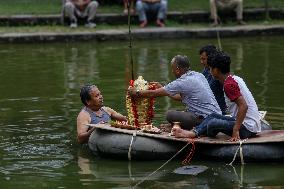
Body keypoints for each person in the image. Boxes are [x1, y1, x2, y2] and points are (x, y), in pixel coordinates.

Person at [172, 51, 261, 141]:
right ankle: (194, 132)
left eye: (210, 69)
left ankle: (197, 132)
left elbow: (244, 106)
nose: (210, 72)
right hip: (245, 123)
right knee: (212, 116)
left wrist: (235, 130)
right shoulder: (234, 78)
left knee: (212, 124)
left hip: (247, 128)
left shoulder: (228, 85)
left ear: (216, 70)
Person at [128, 55, 221, 130]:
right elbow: (181, 98)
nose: (172, 71)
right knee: (183, 112)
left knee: (170, 114)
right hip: (218, 117)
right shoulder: (199, 75)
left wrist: (136, 93)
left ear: (177, 69)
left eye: (172, 69)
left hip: (206, 121)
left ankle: (181, 127)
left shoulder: (182, 82)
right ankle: (178, 126)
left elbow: (154, 93)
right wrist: (163, 89)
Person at [199, 45, 227, 115]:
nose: (201, 62)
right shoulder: (206, 70)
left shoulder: (218, 75)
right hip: (206, 111)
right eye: (201, 59)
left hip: (216, 113)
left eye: (204, 59)